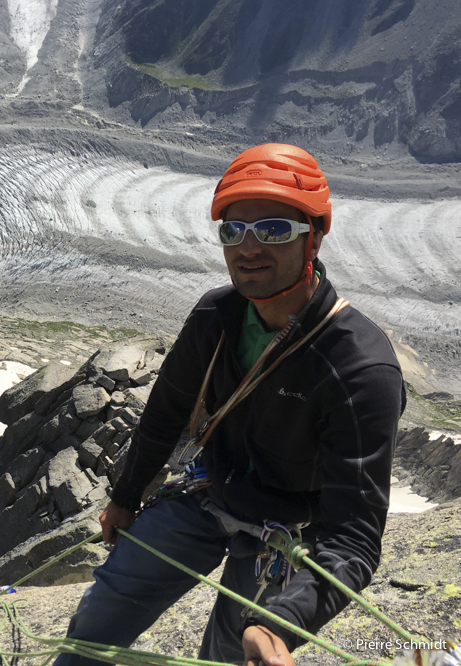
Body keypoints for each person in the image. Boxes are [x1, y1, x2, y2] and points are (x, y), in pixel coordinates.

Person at [55, 143, 405, 666]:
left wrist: (279, 627)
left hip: (284, 530)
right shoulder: (216, 315)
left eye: (274, 229)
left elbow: (353, 539)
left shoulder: (359, 369)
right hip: (207, 491)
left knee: (232, 649)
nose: (249, 246)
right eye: (233, 230)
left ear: (316, 235)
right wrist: (126, 495)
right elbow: (167, 411)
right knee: (95, 625)